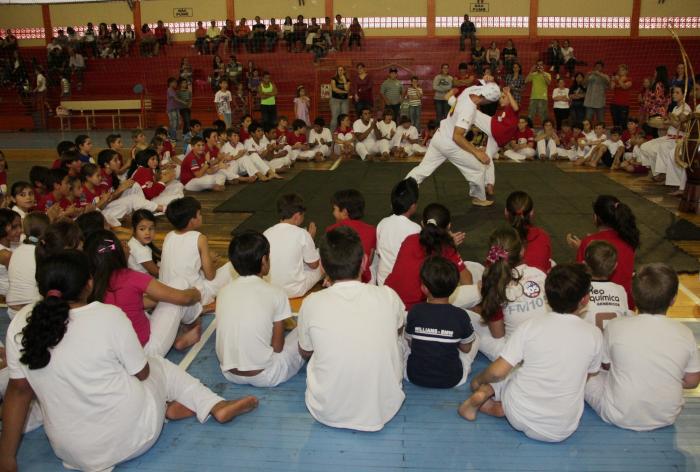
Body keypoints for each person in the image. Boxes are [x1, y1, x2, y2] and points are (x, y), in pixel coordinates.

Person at [0, 250, 258, 472]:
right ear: (89, 283)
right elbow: (143, 373)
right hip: (131, 438)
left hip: (72, 453)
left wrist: (7, 458)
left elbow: (19, 392)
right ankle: (212, 404)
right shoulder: (107, 316)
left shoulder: (20, 323)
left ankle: (170, 408)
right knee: (158, 365)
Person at [459, 263, 602, 443]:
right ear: (585, 299)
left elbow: (497, 371)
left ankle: (488, 398)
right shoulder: (594, 335)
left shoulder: (531, 327)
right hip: (562, 429)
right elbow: (588, 375)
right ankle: (497, 407)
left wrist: (478, 380)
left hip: (519, 415)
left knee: (515, 372)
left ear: (547, 296)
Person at [298, 226, 405, 431]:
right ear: (365, 261)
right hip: (384, 408)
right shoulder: (388, 296)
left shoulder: (311, 302)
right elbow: (398, 332)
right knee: (400, 337)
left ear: (323, 267)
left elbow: (305, 351)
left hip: (326, 410)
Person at [584, 263, 700, 431]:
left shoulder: (616, 326)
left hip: (617, 414)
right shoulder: (685, 333)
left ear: (634, 295)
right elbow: (692, 381)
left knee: (587, 373)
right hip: (666, 416)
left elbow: (607, 366)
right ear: (674, 299)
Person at [86, 229, 203, 355]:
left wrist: (165, 298)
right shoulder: (129, 277)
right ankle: (191, 325)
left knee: (165, 301)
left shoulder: (90, 285)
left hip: (119, 354)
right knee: (181, 283)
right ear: (119, 252)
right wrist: (197, 293)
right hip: (147, 350)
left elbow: (135, 303)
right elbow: (185, 299)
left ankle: (178, 333)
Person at [216, 230, 304, 387]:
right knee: (304, 327)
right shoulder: (276, 293)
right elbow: (278, 348)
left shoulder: (223, 292)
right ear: (264, 261)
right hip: (265, 376)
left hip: (228, 373)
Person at [406, 81, 500, 207]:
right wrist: (477, 152)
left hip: (439, 137)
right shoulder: (469, 109)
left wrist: (487, 80)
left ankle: (403, 194)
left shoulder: (470, 90)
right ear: (487, 99)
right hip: (450, 143)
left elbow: (481, 87)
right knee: (478, 168)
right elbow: (457, 136)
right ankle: (478, 197)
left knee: (422, 170)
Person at [468, 227, 548, 361]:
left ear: (491, 253)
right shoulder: (540, 273)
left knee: (466, 317)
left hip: (514, 357)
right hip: (547, 347)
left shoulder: (495, 286)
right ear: (522, 251)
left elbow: (498, 335)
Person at [404, 255, 477, 389]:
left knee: (403, 343)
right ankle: (466, 367)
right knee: (474, 339)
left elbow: (411, 343)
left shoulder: (415, 311)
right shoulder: (461, 315)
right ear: (455, 287)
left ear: (424, 288)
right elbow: (466, 349)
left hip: (413, 376)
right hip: (452, 379)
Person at [385, 203, 471, 311]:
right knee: (474, 292)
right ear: (449, 226)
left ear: (422, 223)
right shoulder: (447, 249)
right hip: (413, 310)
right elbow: (467, 281)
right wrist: (450, 245)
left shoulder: (410, 240)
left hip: (388, 299)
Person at [568, 195, 639, 309]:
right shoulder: (629, 239)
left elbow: (580, 275)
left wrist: (583, 247)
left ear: (596, 217)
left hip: (595, 304)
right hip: (625, 304)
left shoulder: (589, 242)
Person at [160, 197, 233, 307]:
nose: (201, 216)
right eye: (199, 214)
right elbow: (211, 276)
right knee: (231, 266)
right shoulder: (200, 238)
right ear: (192, 221)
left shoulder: (168, 236)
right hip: (194, 298)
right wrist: (210, 259)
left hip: (167, 295)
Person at [263, 194, 321, 298]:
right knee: (322, 262)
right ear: (297, 216)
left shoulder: (266, 233)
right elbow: (314, 265)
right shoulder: (302, 233)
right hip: (295, 290)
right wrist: (310, 238)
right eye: (303, 215)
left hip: (270, 289)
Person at [325, 189, 376, 283]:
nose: (333, 213)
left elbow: (329, 260)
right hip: (364, 280)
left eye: (334, 209)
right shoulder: (372, 230)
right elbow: (370, 259)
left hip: (338, 280)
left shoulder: (331, 230)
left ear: (344, 212)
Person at [582, 241, 629, 330]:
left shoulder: (580, 290)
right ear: (615, 266)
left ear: (584, 264)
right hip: (614, 340)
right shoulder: (620, 290)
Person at [505, 191, 551, 273]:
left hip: (506, 283)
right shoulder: (543, 236)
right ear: (532, 213)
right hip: (538, 282)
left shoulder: (499, 239)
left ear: (506, 212)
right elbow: (546, 267)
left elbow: (490, 267)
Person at [128, 209, 160, 276]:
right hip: (142, 283)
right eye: (142, 229)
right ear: (134, 229)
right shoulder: (140, 250)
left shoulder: (133, 242)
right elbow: (157, 272)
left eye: (151, 228)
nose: (147, 233)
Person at [525, 60, 551, 126]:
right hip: (533, 97)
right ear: (536, 66)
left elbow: (549, 83)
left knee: (543, 116)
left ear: (543, 66)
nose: (540, 66)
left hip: (543, 98)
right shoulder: (533, 74)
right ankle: (529, 129)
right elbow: (526, 81)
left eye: (541, 65)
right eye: (538, 65)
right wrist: (531, 71)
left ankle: (545, 130)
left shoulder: (547, 74)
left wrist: (543, 73)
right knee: (530, 115)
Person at [610, 64, 632, 129]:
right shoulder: (616, 78)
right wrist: (612, 80)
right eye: (619, 70)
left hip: (624, 104)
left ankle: (624, 137)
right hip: (614, 104)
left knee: (623, 123)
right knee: (615, 123)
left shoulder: (629, 79)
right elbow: (611, 87)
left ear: (626, 71)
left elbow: (624, 87)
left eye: (622, 70)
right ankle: (616, 137)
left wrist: (619, 80)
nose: (620, 71)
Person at [330, 66, 350, 133]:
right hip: (335, 100)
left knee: (344, 117)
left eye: (342, 70)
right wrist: (344, 92)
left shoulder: (347, 80)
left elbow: (347, 89)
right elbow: (334, 89)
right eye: (339, 70)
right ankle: (333, 133)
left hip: (345, 100)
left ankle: (344, 132)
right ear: (337, 71)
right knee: (335, 117)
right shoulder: (333, 79)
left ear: (344, 71)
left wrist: (344, 80)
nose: (340, 71)